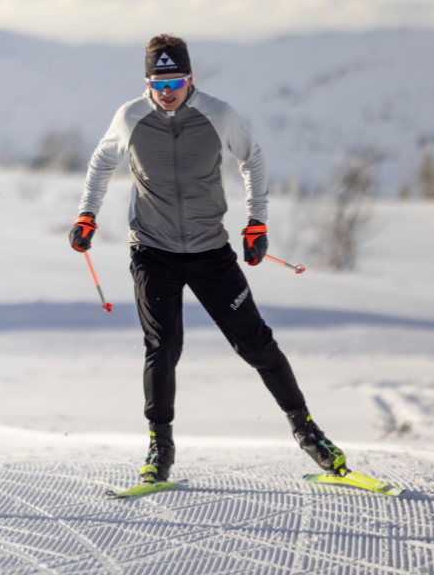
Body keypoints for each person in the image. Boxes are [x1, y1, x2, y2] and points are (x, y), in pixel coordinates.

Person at [68, 34, 346, 486]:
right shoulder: (130, 116)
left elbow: (251, 159)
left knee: (256, 344)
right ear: (147, 81)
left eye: (175, 79)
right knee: (163, 348)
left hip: (209, 250)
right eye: (159, 82)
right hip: (152, 250)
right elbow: (101, 163)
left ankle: (309, 432)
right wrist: (86, 215)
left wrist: (257, 223)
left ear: (190, 76)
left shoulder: (218, 114)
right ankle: (160, 447)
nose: (168, 90)